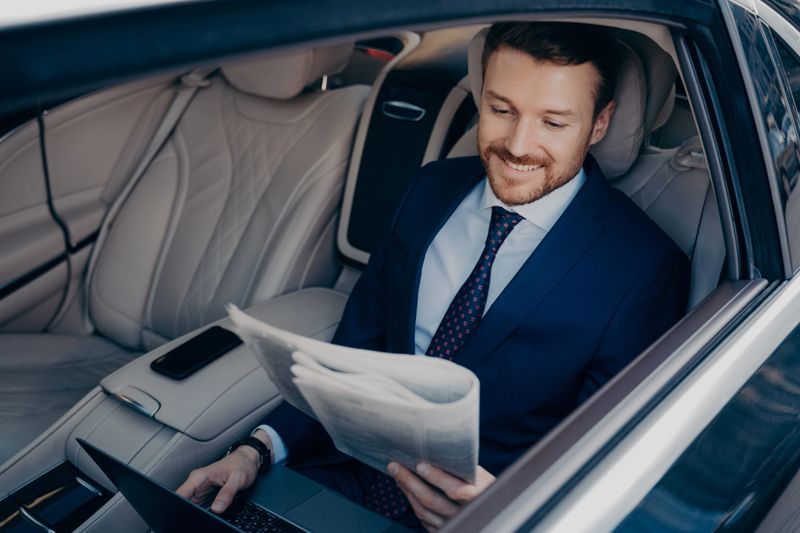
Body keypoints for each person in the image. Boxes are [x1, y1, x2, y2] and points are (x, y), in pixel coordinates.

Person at [178, 21, 690, 531]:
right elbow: (357, 349)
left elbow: (603, 454)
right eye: (501, 110)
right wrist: (256, 451)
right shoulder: (430, 189)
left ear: (599, 124)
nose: (517, 145)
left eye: (554, 123)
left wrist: (508, 511)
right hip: (338, 482)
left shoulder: (643, 269)